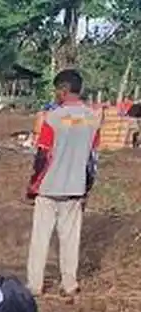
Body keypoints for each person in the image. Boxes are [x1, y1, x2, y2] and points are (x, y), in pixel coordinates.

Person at [26, 69, 100, 298]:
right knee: (71, 238)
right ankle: (69, 284)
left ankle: (35, 285)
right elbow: (93, 158)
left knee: (40, 238)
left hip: (49, 188)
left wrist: (33, 185)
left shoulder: (53, 118)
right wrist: (87, 188)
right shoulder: (93, 118)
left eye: (57, 90)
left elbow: (43, 156)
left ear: (64, 90)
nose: (56, 94)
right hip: (75, 189)